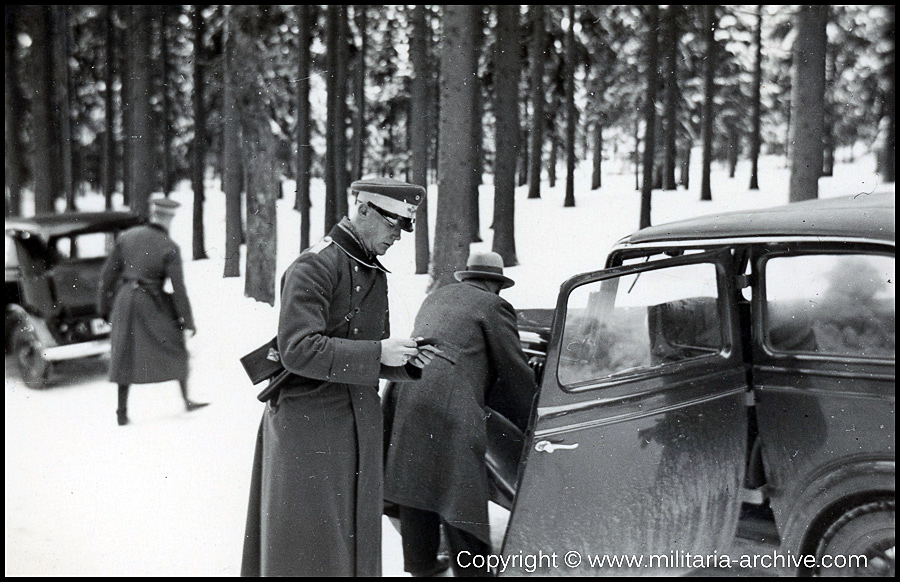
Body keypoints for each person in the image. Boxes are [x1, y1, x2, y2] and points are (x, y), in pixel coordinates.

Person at [240, 178, 440, 577]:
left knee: (353, 536)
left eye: (403, 227)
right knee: (310, 544)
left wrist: (403, 359)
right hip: (310, 424)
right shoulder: (315, 265)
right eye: (392, 223)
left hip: (354, 420)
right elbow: (298, 349)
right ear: (363, 209)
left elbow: (359, 350)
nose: (397, 236)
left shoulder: (371, 270)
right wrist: (377, 353)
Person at [383, 251, 538, 577]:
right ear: (495, 285)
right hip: (449, 404)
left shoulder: (437, 295)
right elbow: (514, 372)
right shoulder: (494, 306)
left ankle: (421, 564)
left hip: (407, 392)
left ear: (468, 278)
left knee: (416, 481)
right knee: (460, 488)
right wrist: (535, 421)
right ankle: (473, 570)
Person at [97, 197, 207, 427]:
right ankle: (186, 399)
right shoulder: (169, 246)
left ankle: (121, 412)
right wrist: (187, 321)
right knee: (175, 343)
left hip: (125, 300)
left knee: (124, 353)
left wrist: (103, 308)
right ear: (170, 219)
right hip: (151, 301)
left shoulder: (127, 237)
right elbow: (179, 290)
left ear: (153, 215)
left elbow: (107, 277)